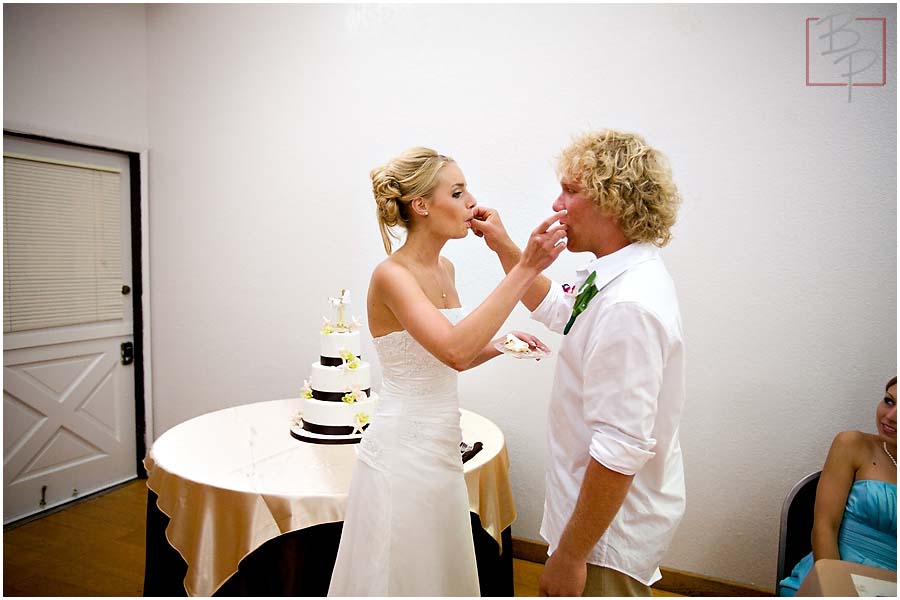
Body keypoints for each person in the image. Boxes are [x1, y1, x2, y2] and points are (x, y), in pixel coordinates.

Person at [327, 147, 568, 596]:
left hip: (441, 443)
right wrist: (526, 267)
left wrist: (498, 345)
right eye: (457, 193)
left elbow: (446, 353)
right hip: (401, 450)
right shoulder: (391, 275)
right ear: (421, 206)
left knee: (438, 571)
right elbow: (455, 351)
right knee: (401, 571)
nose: (471, 202)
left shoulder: (446, 267)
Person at [470, 129, 685, 596]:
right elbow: (561, 313)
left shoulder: (630, 304)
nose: (556, 204)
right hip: (590, 522)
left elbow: (620, 447)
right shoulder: (616, 275)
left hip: (603, 540)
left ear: (615, 200)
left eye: (571, 190)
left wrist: (569, 556)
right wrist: (508, 249)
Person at [778, 376, 898, 596]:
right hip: (836, 573)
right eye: (889, 401)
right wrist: (834, 590)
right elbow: (824, 527)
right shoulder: (852, 444)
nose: (890, 417)